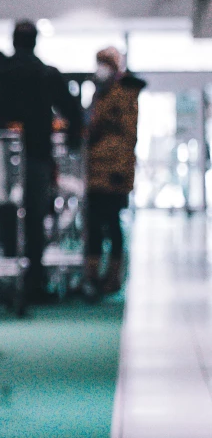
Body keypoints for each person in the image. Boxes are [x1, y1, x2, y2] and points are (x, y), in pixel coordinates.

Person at [0, 21, 82, 307]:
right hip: (38, 152)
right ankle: (34, 280)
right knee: (34, 217)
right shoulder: (47, 73)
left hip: (3, 153)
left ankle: (6, 277)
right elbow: (72, 110)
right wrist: (72, 141)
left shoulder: (1, 72)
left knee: (3, 211)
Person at [83, 47, 144, 301]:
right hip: (96, 169)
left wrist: (121, 170)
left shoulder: (124, 94)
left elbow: (127, 135)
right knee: (94, 225)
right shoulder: (101, 93)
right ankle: (92, 276)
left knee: (112, 224)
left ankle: (114, 275)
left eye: (104, 63)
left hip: (114, 172)